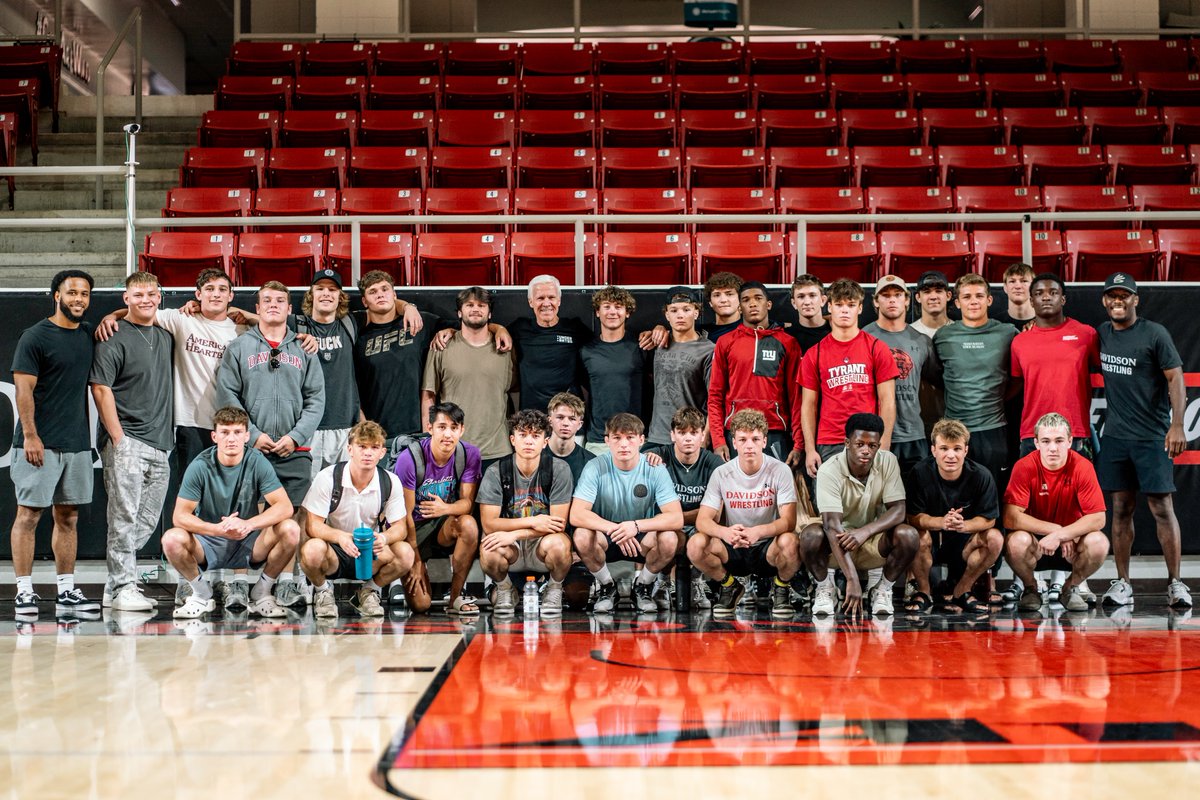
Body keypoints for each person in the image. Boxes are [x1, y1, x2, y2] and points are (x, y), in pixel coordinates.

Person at [216, 280, 326, 608]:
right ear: (258, 308)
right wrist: (253, 433)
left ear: (290, 309)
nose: (274, 305)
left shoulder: (303, 349)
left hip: (295, 450)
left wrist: (295, 437)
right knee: (241, 512)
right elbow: (227, 395)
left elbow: (316, 398)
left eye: (281, 300)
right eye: (267, 300)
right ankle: (237, 583)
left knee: (289, 520)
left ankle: (279, 583)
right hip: (250, 447)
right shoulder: (239, 348)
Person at [1095, 273, 1192, 609]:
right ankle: (1123, 583)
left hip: (1152, 437)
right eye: (1112, 296)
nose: (1117, 302)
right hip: (1116, 438)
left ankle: (1176, 583)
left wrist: (1176, 424)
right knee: (1120, 509)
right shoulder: (1102, 333)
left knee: (1162, 508)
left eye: (1124, 296)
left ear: (1136, 300)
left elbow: (1176, 378)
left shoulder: (1154, 334)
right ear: (1105, 301)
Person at [9, 269, 99, 619]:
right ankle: (24, 593)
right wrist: (31, 435)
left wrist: (119, 313)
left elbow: (121, 314)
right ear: (56, 296)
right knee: (29, 515)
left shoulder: (89, 335)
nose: (79, 299)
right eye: (72, 293)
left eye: (85, 294)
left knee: (69, 517)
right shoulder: (35, 337)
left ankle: (66, 591)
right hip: (38, 444)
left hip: (76, 444)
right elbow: (23, 391)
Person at [96, 267, 250, 470]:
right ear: (198, 294)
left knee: (228, 492)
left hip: (229, 425)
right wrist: (111, 316)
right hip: (191, 423)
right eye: (210, 288)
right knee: (190, 494)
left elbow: (272, 324)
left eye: (222, 289)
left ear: (231, 295)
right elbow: (142, 310)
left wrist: (246, 315)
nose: (216, 294)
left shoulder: (243, 331)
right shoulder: (181, 319)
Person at [163, 407, 300, 619]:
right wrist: (216, 530)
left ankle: (262, 591)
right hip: (209, 541)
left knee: (291, 528)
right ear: (214, 436)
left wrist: (249, 525)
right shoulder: (200, 465)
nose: (231, 439)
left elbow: (284, 506)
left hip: (249, 541)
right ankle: (201, 594)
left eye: (237, 432)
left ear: (247, 436)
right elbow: (180, 516)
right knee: (171, 539)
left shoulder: (257, 461)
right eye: (225, 432)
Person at [90, 271, 174, 613]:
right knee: (123, 516)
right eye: (138, 295)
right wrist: (118, 438)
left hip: (160, 443)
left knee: (147, 519)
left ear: (159, 297)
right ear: (126, 299)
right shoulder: (112, 336)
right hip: (128, 440)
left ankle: (115, 585)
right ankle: (125, 584)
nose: (146, 300)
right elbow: (100, 388)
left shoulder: (166, 335)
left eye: (151, 294)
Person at [799, 413, 918, 618]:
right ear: (847, 443)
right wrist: (852, 580)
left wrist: (865, 532)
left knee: (909, 535)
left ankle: (882, 590)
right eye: (859, 444)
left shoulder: (888, 461)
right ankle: (825, 588)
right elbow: (831, 526)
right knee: (809, 536)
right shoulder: (829, 470)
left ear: (878, 445)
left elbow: (899, 509)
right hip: (838, 542)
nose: (866, 450)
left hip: (872, 540)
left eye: (872, 446)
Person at [689, 410, 800, 619]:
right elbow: (702, 520)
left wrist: (759, 531)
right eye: (743, 439)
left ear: (764, 441)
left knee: (791, 542)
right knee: (696, 544)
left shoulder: (780, 470)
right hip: (734, 546)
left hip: (766, 548)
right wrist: (724, 533)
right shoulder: (721, 473)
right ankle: (730, 586)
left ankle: (781, 587)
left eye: (755, 439)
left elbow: (789, 521)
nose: (749, 445)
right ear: (734, 442)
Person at [571, 413, 684, 614]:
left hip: (640, 537)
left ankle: (642, 586)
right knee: (581, 534)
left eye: (630, 437)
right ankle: (607, 587)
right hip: (608, 535)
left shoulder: (655, 468)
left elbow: (676, 518)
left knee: (669, 538)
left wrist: (635, 526)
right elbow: (577, 514)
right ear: (607, 441)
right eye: (617, 437)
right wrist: (616, 528)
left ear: (641, 440)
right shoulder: (595, 466)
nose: (624, 444)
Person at [300, 420, 413, 619]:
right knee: (311, 550)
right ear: (350, 449)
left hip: (370, 551)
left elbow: (400, 528)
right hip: (335, 550)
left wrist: (384, 538)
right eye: (362, 446)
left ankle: (368, 592)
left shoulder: (390, 480)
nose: (367, 453)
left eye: (374, 447)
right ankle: (323, 592)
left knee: (405, 553)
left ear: (382, 453)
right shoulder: (328, 477)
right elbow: (313, 526)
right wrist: (341, 537)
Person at [1003, 413, 1108, 613]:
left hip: (1072, 547)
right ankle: (1031, 588)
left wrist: (1062, 535)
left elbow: (1098, 517)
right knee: (1015, 542)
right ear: (1036, 443)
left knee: (1099, 542)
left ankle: (1070, 588)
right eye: (1046, 441)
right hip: (1037, 545)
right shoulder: (1024, 466)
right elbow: (1011, 517)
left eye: (1059, 440)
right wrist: (1055, 530)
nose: (1053, 448)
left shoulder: (1083, 467)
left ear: (1070, 441)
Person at [477, 410, 574, 618]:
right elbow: (488, 524)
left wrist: (515, 533)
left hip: (541, 543)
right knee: (489, 547)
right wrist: (533, 521)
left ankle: (554, 589)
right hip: (512, 549)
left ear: (545, 442)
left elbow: (558, 525)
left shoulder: (559, 469)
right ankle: (505, 590)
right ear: (513, 439)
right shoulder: (496, 471)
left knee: (560, 544)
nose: (529, 441)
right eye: (523, 435)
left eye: (535, 435)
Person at [800, 278, 900, 479]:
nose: (844, 310)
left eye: (851, 305)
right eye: (839, 305)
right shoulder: (815, 353)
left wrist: (884, 445)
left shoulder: (876, 348)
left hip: (867, 439)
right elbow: (808, 406)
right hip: (829, 441)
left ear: (860, 308)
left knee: (869, 507)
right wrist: (810, 450)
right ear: (829, 306)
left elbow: (887, 401)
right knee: (829, 507)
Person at [903, 419, 1003, 614]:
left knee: (995, 538)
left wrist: (962, 525)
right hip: (931, 542)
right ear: (933, 450)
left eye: (957, 448)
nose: (951, 455)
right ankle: (924, 592)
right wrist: (942, 522)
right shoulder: (920, 473)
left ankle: (962, 590)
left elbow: (989, 519)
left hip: (964, 542)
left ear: (966, 450)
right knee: (914, 534)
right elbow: (913, 517)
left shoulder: (981, 475)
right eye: (944, 448)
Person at [394, 402, 482, 615]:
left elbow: (467, 504)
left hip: (443, 525)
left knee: (468, 525)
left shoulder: (469, 454)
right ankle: (403, 575)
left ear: (462, 430)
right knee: (421, 605)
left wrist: (444, 509)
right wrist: (415, 560)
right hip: (412, 530)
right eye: (442, 427)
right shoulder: (410, 459)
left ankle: (455, 598)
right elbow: (403, 515)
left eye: (454, 427)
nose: (448, 434)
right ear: (430, 427)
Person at [932, 274, 1017, 494]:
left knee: (994, 495)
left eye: (979, 296)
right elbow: (936, 377)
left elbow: (1019, 378)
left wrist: (999, 398)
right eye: (967, 297)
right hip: (954, 430)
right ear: (957, 302)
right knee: (956, 497)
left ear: (989, 300)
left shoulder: (1008, 333)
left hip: (993, 430)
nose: (974, 301)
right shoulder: (943, 336)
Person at [707, 281, 803, 464]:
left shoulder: (788, 343)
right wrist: (718, 440)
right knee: (735, 492)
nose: (752, 303)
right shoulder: (725, 342)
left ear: (768, 304)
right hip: (735, 432)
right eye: (746, 300)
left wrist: (798, 444)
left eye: (758, 298)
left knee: (772, 492)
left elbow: (796, 398)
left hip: (774, 431)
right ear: (740, 307)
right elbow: (715, 395)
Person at [422, 286, 515, 472]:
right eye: (469, 304)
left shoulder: (505, 347)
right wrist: (428, 439)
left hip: (497, 449)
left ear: (490, 314)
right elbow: (428, 396)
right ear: (459, 312)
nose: (475, 309)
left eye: (482, 305)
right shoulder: (441, 347)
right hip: (453, 448)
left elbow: (514, 390)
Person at [1009, 273, 1100, 459]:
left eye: (1053, 292)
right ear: (1031, 301)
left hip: (1074, 431)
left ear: (1063, 299)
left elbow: (1109, 372)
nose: (1046, 297)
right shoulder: (1019, 341)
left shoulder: (1086, 335)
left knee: (1076, 489)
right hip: (1033, 433)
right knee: (1034, 489)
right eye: (1039, 293)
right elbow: (1014, 385)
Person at [646, 406, 723, 610]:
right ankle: (661, 581)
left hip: (700, 526)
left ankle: (697, 581)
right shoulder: (657, 455)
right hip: (670, 528)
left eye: (693, 433)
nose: (688, 438)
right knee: (669, 534)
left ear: (702, 435)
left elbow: (714, 515)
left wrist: (676, 517)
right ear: (672, 435)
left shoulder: (714, 463)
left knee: (705, 533)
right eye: (681, 433)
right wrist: (645, 460)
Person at [863, 274, 939, 473]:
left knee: (917, 499)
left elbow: (937, 383)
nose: (892, 300)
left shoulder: (922, 341)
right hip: (874, 435)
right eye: (885, 295)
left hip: (914, 435)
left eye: (897, 295)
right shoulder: (864, 338)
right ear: (876, 301)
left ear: (906, 300)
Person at [352, 270, 433, 454]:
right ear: (364, 301)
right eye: (373, 292)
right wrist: (364, 427)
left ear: (394, 294)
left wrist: (498, 329)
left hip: (416, 436)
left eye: (385, 289)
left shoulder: (420, 322)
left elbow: (467, 327)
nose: (380, 294)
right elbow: (350, 386)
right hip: (376, 436)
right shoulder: (357, 334)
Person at [292, 268, 361, 478]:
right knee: (306, 499)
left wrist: (409, 307)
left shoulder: (350, 324)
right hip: (307, 427)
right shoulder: (294, 325)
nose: (326, 293)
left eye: (332, 289)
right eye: (320, 288)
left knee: (344, 497)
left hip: (346, 426)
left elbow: (386, 310)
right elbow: (261, 322)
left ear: (340, 296)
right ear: (311, 294)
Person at [578, 285, 652, 455]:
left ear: (627, 312)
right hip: (599, 439)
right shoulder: (586, 351)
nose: (612, 312)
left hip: (636, 437)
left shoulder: (642, 346)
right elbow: (585, 390)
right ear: (597, 312)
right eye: (607, 306)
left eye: (618, 307)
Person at [646, 286, 715, 449]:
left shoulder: (709, 349)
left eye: (686, 309)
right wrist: (656, 329)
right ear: (667, 315)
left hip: (690, 436)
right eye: (674, 310)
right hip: (658, 436)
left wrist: (705, 437)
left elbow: (715, 400)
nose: (680, 315)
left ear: (696, 313)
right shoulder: (658, 343)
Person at [546, 391, 594, 483]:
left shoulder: (590, 462)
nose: (565, 423)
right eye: (560, 417)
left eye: (572, 419)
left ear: (580, 425)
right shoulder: (534, 456)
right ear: (550, 420)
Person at [786, 273, 832, 352]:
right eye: (801, 296)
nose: (807, 302)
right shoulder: (786, 337)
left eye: (812, 295)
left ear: (823, 300)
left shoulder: (837, 332)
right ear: (794, 303)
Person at [992, 261, 1036, 331]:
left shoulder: (1047, 322)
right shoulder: (995, 325)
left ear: (1033, 286)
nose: (1018, 286)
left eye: (1024, 281)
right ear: (1005, 287)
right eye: (1012, 281)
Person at [910, 270, 953, 339]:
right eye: (927, 292)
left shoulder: (960, 332)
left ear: (948, 296)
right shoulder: (909, 333)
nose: (933, 297)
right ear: (918, 297)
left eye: (938, 291)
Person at [704, 271, 744, 342]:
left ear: (740, 299)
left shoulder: (751, 331)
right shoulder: (700, 333)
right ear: (710, 302)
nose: (723, 300)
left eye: (729, 294)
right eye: (717, 295)